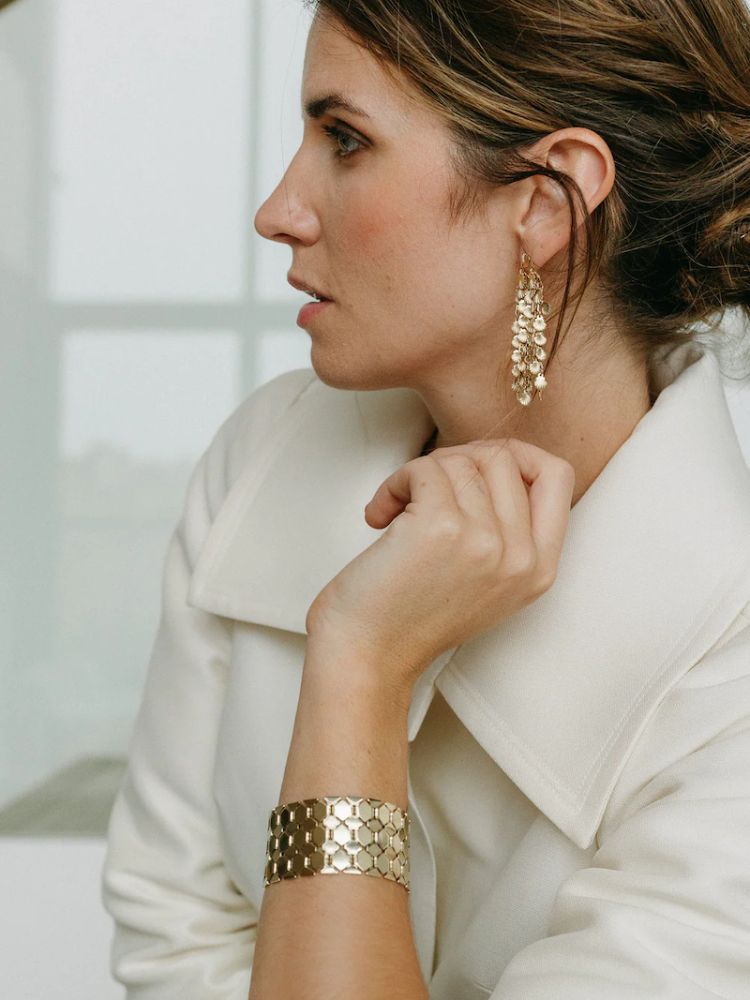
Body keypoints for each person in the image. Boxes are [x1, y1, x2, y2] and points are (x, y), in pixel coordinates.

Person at [102, 2, 750, 998]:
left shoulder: (729, 642)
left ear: (547, 204)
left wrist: (359, 668)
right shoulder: (264, 454)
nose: (277, 210)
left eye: (345, 139)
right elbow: (172, 940)